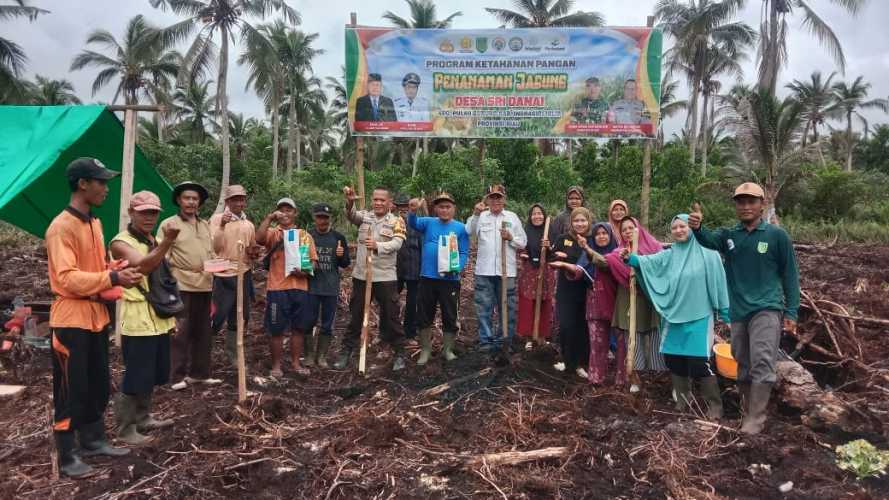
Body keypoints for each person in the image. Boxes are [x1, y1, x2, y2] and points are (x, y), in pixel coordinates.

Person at [47, 157, 142, 477]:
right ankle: (67, 453)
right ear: (82, 184)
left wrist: (110, 271)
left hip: (96, 316)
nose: (106, 187)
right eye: (100, 181)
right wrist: (112, 280)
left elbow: (95, 268)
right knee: (69, 389)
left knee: (98, 383)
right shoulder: (61, 227)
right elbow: (67, 278)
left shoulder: (95, 223)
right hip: (71, 319)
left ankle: (93, 439)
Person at [689, 183, 800, 434]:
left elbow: (790, 275)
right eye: (741, 202)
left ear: (762, 204)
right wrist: (696, 227)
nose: (746, 206)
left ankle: (755, 420)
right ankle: (747, 409)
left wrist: (791, 311)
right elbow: (707, 239)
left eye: (751, 201)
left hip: (767, 308)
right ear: (736, 206)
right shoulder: (730, 235)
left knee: (762, 359)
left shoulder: (776, 236)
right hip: (739, 310)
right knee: (743, 361)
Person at [624, 214, 730, 418]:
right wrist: (632, 259)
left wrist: (724, 309)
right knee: (674, 360)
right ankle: (683, 401)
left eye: (683, 226)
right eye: (675, 228)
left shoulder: (708, 253)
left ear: (691, 228)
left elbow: (719, 280)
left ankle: (714, 406)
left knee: (699, 362)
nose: (679, 230)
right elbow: (649, 263)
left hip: (699, 315)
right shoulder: (670, 254)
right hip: (673, 316)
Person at [109, 191, 179, 445]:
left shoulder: (154, 239)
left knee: (155, 371)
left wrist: (172, 318)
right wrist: (167, 242)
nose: (149, 217)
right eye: (144, 212)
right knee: (137, 373)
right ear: (131, 213)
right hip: (138, 317)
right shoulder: (121, 242)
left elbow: (163, 279)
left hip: (158, 316)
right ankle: (125, 428)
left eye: (153, 213)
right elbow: (145, 266)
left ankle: (143, 416)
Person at [334, 186, 407, 371]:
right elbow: (351, 215)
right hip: (361, 275)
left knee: (391, 316)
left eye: (382, 200)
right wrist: (350, 201)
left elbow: (397, 243)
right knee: (356, 315)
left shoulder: (396, 221)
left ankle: (399, 352)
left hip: (385, 276)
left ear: (389, 203)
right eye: (375, 199)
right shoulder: (365, 217)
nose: (378, 203)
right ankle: (347, 351)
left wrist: (378, 245)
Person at [160, 181, 222, 391]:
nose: (191, 202)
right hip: (182, 285)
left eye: (195, 199)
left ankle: (200, 374)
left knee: (203, 331)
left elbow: (210, 252)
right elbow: (162, 256)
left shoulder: (204, 225)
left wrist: (219, 264)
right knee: (180, 331)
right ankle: (176, 376)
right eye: (187, 198)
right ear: (179, 200)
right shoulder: (169, 224)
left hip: (204, 284)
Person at [256, 198, 318, 377]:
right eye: (281, 210)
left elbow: (313, 263)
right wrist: (269, 218)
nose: (285, 213)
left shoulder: (304, 236)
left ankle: (296, 364)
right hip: (277, 288)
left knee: (298, 328)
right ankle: (276, 366)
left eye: (288, 210)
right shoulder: (274, 234)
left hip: (300, 287)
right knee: (276, 329)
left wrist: (305, 271)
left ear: (295, 212)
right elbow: (259, 239)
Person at [604, 217, 666, 392]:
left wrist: (641, 266)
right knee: (632, 337)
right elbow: (607, 259)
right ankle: (635, 377)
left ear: (638, 229)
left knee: (654, 332)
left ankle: (658, 372)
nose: (628, 231)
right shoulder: (618, 253)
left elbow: (662, 263)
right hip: (628, 296)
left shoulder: (653, 248)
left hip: (649, 295)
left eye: (631, 228)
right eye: (624, 230)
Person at [407, 192, 470, 364]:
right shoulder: (428, 223)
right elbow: (412, 223)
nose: (444, 210)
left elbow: (464, 252)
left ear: (454, 209)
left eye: (448, 207)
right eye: (441, 207)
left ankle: (448, 349)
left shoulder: (461, 228)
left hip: (450, 280)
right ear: (435, 209)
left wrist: (457, 268)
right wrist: (412, 211)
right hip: (428, 277)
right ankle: (425, 350)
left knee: (449, 315)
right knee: (424, 314)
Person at [466, 185, 528, 352]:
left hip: (506, 272)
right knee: (483, 307)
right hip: (484, 271)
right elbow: (469, 231)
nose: (495, 200)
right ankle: (486, 341)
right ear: (487, 199)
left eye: (499, 197)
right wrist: (475, 214)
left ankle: (503, 341)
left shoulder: (512, 217)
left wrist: (511, 238)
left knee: (507, 308)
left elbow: (523, 242)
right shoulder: (481, 216)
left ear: (504, 199)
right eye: (492, 197)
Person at [209, 185, 258, 365]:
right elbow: (214, 246)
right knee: (217, 315)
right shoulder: (216, 219)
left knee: (240, 315)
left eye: (241, 199)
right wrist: (222, 224)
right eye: (235, 199)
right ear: (227, 202)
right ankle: (205, 354)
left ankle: (233, 354)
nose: (239, 202)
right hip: (222, 274)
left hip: (243, 273)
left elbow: (251, 247)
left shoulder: (248, 224)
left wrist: (254, 252)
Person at [548, 208, 594, 380]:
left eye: (583, 220)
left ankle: (581, 363)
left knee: (583, 327)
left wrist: (565, 259)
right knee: (567, 326)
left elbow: (592, 260)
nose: (580, 224)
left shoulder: (592, 240)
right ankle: (568, 361)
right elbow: (552, 260)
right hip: (566, 289)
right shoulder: (563, 239)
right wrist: (559, 258)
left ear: (588, 222)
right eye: (576, 221)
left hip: (586, 290)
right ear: (571, 223)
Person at [571, 222, 619, 385]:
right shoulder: (586, 254)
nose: (601, 236)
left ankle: (622, 380)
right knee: (597, 343)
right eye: (597, 234)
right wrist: (567, 268)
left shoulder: (618, 253)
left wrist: (587, 249)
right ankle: (596, 379)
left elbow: (606, 264)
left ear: (610, 235)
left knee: (622, 344)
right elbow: (579, 270)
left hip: (617, 302)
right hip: (595, 302)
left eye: (604, 233)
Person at [303, 203, 350, 368]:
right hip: (311, 286)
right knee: (308, 321)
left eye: (325, 217)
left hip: (330, 287)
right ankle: (308, 355)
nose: (322, 220)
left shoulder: (338, 238)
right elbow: (302, 261)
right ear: (314, 218)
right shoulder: (307, 236)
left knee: (327, 324)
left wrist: (341, 254)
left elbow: (345, 264)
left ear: (330, 219)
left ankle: (321, 356)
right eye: (319, 217)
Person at [517, 204, 556, 350]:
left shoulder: (551, 231)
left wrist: (549, 246)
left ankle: (541, 336)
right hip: (529, 271)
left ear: (544, 215)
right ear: (530, 216)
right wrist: (523, 254)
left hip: (546, 270)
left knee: (545, 302)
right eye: (534, 214)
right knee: (528, 303)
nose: (537, 216)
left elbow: (557, 251)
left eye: (540, 213)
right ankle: (528, 337)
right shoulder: (525, 231)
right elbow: (520, 247)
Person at [394, 193, 422, 342]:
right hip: (395, 269)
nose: (403, 209)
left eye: (406, 206)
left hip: (414, 268)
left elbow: (423, 246)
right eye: (400, 206)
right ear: (396, 208)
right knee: (391, 300)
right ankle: (389, 330)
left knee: (413, 302)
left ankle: (410, 331)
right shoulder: (392, 222)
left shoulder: (417, 224)